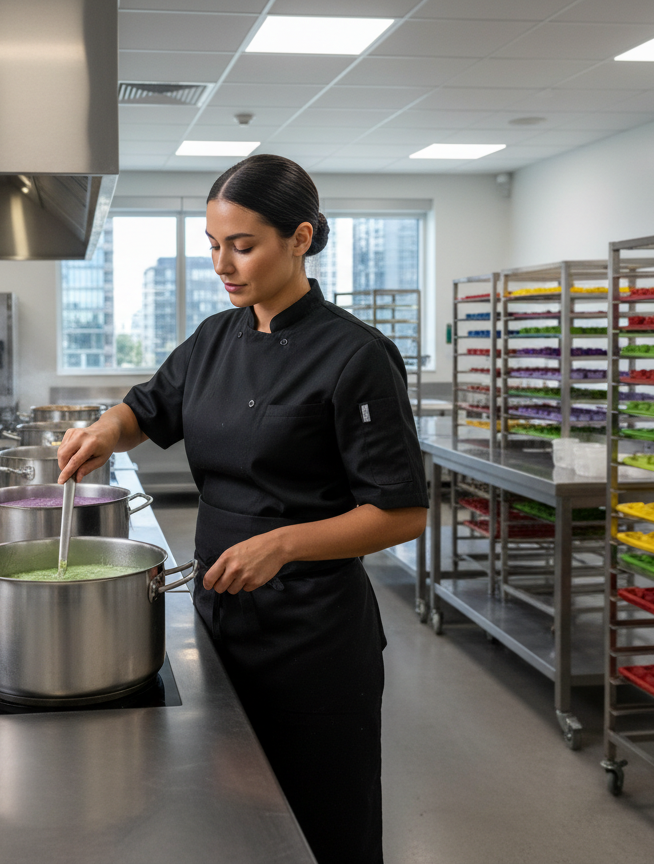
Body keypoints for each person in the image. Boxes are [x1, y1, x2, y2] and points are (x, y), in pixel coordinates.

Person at [56, 154, 428, 864]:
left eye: (243, 245)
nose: (223, 265)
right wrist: (103, 429)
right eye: (213, 245)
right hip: (220, 621)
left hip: (312, 640)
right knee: (233, 824)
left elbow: (402, 513)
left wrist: (282, 545)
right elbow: (145, 409)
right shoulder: (213, 339)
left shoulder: (356, 355)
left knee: (325, 826)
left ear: (300, 238)